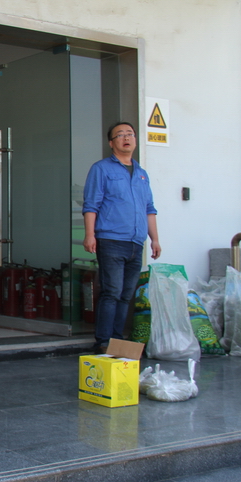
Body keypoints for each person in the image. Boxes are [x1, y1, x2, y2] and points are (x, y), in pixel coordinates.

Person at [82, 122, 160, 352]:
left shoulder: (142, 174)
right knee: (112, 292)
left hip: (136, 243)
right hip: (111, 241)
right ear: (111, 142)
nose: (126, 138)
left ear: (135, 140)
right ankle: (104, 342)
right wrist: (89, 235)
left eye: (130, 134)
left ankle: (117, 342)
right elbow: (91, 204)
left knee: (126, 295)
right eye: (120, 135)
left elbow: (149, 209)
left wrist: (154, 239)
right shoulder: (102, 169)